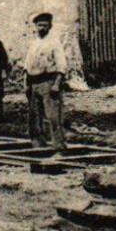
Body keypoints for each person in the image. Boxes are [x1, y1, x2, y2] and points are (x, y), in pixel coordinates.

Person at [23, 12, 69, 150]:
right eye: (39, 25)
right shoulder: (34, 43)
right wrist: (25, 84)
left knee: (53, 116)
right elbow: (27, 65)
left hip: (48, 82)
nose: (41, 28)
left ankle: (59, 146)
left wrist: (56, 84)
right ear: (35, 27)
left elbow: (61, 65)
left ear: (50, 26)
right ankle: (38, 144)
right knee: (34, 117)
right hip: (33, 83)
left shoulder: (54, 43)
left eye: (45, 25)